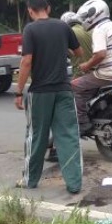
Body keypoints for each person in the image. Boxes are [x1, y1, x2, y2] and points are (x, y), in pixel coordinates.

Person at [14, 0, 83, 194]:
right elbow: (78, 52)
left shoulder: (30, 29)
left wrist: (19, 91)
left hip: (40, 92)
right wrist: (63, 52)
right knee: (68, 135)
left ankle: (30, 180)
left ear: (30, 11)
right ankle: (74, 184)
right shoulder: (63, 27)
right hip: (63, 89)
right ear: (49, 8)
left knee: (36, 136)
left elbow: (26, 62)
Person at [72, 0, 112, 134]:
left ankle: (82, 122)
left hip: (109, 74)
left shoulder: (99, 29)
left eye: (85, 17)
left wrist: (86, 66)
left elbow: (100, 54)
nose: (84, 20)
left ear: (95, 15)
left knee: (75, 86)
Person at [45, 11, 92, 162]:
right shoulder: (89, 30)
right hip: (96, 73)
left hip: (81, 74)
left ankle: (58, 149)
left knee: (63, 110)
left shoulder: (68, 33)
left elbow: (66, 53)